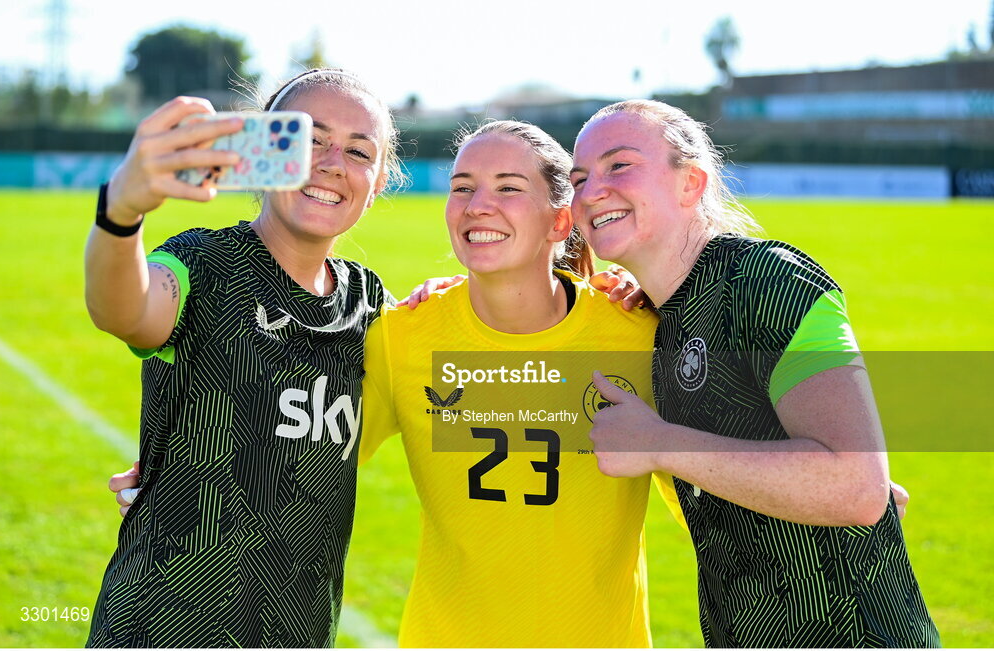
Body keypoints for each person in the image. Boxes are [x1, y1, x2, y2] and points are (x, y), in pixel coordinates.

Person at [570, 99, 940, 647]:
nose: (590, 191)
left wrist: (660, 444)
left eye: (619, 165)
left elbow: (856, 489)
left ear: (690, 183)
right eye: (578, 179)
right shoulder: (661, 318)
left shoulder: (766, 281)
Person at [85, 69, 402, 647]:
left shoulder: (372, 305)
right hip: (162, 625)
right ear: (262, 151)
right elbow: (125, 310)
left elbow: (461, 388)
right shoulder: (204, 263)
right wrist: (121, 209)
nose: (332, 161)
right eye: (306, 138)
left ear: (379, 181)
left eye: (359, 151)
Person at [356, 120, 683, 647]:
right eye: (462, 187)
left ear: (559, 222)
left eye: (508, 187)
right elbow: (310, 465)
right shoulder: (402, 337)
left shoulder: (638, 335)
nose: (477, 204)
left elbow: (715, 513)